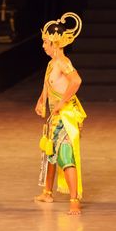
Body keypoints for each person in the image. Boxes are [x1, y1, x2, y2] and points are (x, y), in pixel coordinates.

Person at [34, 12, 87, 215]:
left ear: (55, 43)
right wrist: (41, 100)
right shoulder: (51, 64)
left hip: (65, 116)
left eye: (46, 42)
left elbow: (76, 81)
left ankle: (74, 200)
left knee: (65, 156)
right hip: (55, 116)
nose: (43, 45)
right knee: (49, 153)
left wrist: (61, 103)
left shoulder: (63, 62)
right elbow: (48, 85)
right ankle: (47, 192)